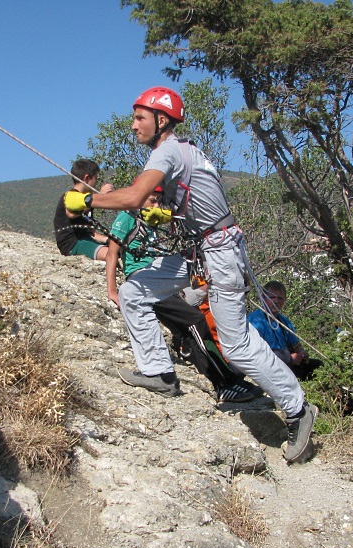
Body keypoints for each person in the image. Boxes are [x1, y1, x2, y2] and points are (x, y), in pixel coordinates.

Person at [66, 86, 317, 463]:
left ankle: (298, 409)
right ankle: (159, 373)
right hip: (203, 250)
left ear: (161, 120)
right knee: (135, 291)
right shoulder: (182, 151)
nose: (132, 125)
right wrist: (164, 214)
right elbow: (193, 201)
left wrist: (87, 199)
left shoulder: (168, 150)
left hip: (218, 252)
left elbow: (134, 196)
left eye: (139, 118)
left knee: (236, 344)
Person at [105, 187, 258, 403]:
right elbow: (112, 253)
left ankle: (228, 380)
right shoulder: (127, 217)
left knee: (193, 323)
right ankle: (225, 383)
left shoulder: (148, 220)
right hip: (143, 281)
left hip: (158, 279)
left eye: (159, 201)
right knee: (194, 321)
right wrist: (112, 290)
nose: (156, 205)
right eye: (152, 200)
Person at [247, 281, 323, 381]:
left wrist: (302, 354)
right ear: (263, 298)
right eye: (272, 297)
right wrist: (290, 359)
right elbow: (255, 353)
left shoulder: (285, 322)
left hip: (287, 364)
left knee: (318, 366)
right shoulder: (254, 321)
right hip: (267, 367)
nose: (276, 301)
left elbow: (296, 345)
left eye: (280, 298)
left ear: (284, 300)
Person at [54, 159, 113, 261]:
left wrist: (108, 240)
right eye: (96, 179)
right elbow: (71, 213)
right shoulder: (70, 196)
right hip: (73, 243)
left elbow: (91, 233)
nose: (96, 183)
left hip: (85, 240)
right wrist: (100, 197)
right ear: (86, 178)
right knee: (111, 255)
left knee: (117, 250)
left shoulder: (88, 203)